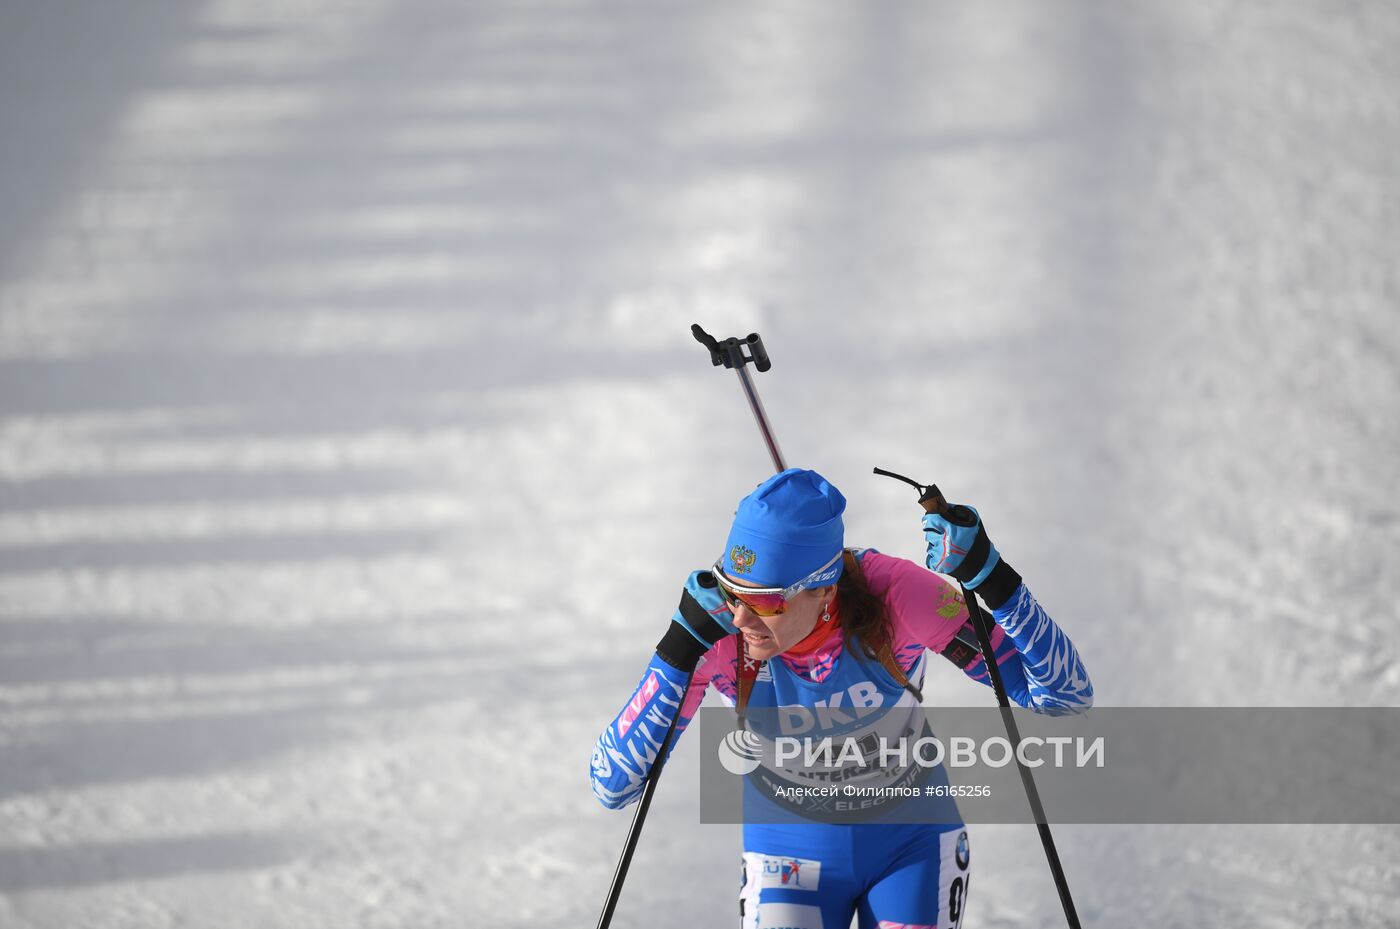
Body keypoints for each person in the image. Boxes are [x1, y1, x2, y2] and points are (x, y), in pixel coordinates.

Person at [591, 468, 1093, 929]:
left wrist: (992, 576)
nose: (741, 618)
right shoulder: (718, 633)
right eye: (731, 590)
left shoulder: (900, 595)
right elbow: (612, 786)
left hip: (912, 847)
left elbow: (1064, 695)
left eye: (764, 601)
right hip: (788, 858)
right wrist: (677, 649)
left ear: (823, 592)